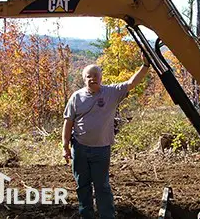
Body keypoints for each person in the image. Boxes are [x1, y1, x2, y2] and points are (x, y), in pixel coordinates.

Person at [62, 56, 150, 219]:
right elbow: (68, 122)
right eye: (89, 76)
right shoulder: (76, 97)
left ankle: (107, 216)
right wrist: (65, 146)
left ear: (101, 78)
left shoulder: (111, 93)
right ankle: (86, 215)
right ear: (84, 79)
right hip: (80, 148)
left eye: (96, 76)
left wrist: (145, 65)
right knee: (82, 186)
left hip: (101, 149)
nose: (93, 79)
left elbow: (131, 83)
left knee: (102, 186)